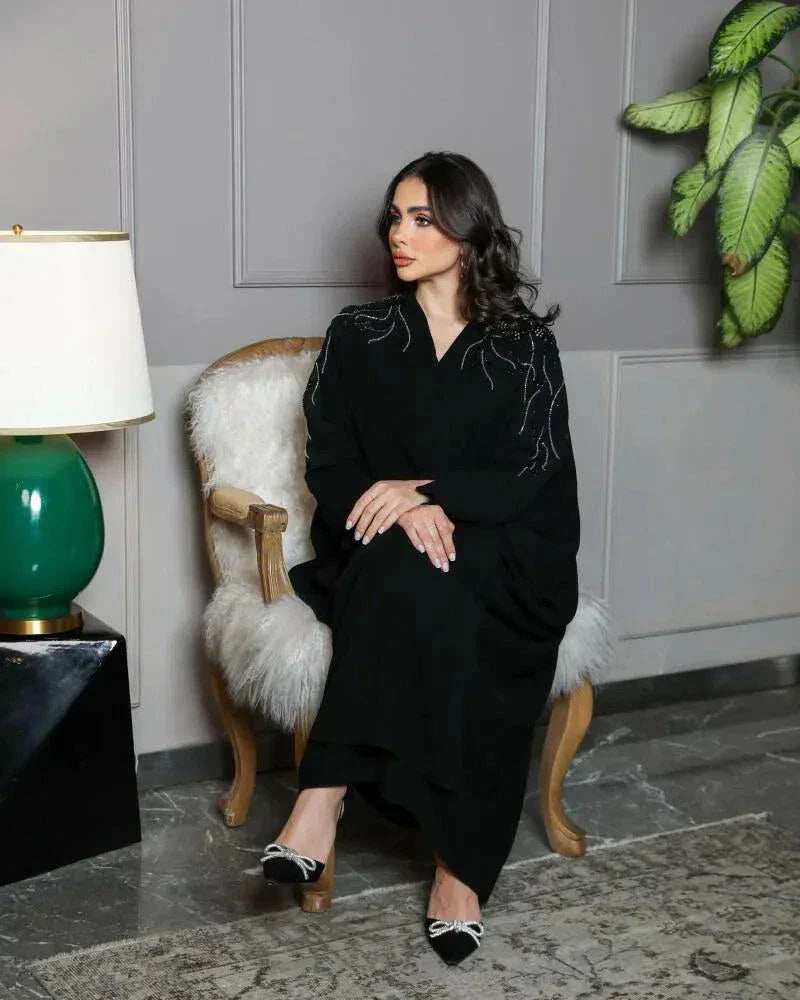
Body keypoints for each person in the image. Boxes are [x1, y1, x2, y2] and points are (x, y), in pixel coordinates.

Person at [260, 151, 580, 966]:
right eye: (395, 218)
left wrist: (424, 493)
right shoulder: (359, 334)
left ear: (468, 231)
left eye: (422, 219)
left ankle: (328, 805)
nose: (399, 235)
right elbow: (328, 462)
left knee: (443, 582)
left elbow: (529, 470)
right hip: (376, 547)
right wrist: (396, 508)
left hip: (509, 548)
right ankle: (450, 866)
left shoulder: (522, 347)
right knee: (413, 573)